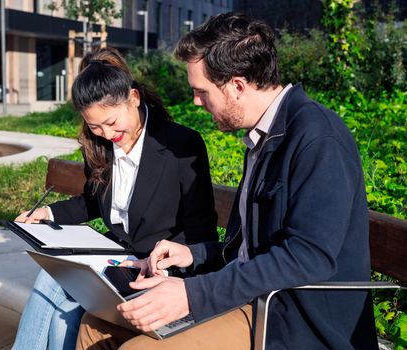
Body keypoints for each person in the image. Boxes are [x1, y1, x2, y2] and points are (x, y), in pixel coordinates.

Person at [76, 12, 378, 350]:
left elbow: (308, 256)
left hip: (288, 317)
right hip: (249, 297)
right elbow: (253, 250)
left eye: (202, 91)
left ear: (236, 85)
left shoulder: (317, 138)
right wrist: (191, 255)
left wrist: (193, 294)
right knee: (95, 324)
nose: (196, 101)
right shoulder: (263, 138)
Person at [11, 46, 218, 350]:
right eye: (95, 126)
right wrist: (48, 215)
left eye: (111, 122)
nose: (106, 134)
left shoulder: (180, 144)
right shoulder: (100, 146)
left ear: (133, 98)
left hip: (152, 267)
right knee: (54, 285)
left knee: (62, 304)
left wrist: (172, 265)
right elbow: (94, 201)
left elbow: (202, 230)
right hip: (112, 255)